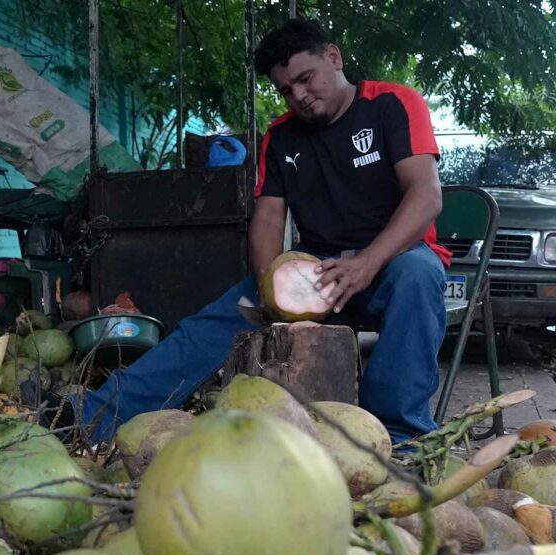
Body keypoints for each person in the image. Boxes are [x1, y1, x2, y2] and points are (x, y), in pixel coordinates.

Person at [76, 17, 450, 444]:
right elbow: (269, 217)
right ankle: (90, 416)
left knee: (420, 276)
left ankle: (400, 439)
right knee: (215, 320)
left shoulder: (392, 104)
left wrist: (368, 262)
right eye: (286, 90)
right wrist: (273, 281)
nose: (300, 96)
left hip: (393, 261)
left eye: (306, 79)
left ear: (334, 57)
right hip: (314, 269)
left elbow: (426, 196)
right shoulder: (281, 137)